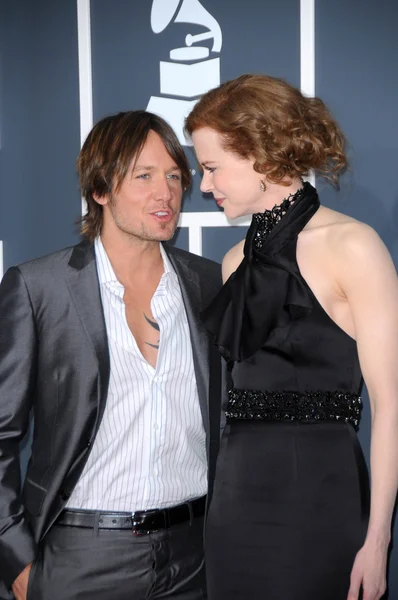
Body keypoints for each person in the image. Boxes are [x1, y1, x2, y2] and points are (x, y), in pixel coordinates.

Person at [184, 74, 398, 600]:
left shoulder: (353, 246)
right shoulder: (235, 261)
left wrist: (377, 540)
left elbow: (391, 405)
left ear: (259, 153)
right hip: (233, 504)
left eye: (211, 168)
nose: (204, 185)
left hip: (322, 498)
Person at [0, 110, 222, 600]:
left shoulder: (209, 284)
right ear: (100, 190)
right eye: (143, 176)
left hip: (193, 556)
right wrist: (17, 561)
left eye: (173, 176)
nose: (165, 193)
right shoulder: (40, 289)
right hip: (81, 556)